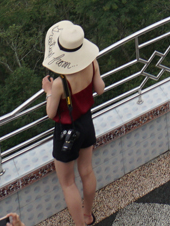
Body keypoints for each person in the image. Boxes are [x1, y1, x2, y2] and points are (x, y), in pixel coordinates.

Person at [42, 21, 105, 226]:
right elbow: (100, 88)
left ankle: (80, 224)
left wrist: (49, 92)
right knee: (87, 171)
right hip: (86, 124)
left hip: (67, 131)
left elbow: (51, 113)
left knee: (68, 183)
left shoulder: (60, 82)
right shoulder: (92, 63)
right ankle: (88, 215)